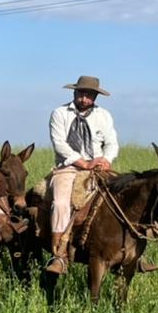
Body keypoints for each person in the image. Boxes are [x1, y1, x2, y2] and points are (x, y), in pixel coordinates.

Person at [45, 74, 129, 275]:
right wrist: (83, 162)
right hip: (69, 166)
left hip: (99, 167)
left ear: (95, 97)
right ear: (74, 92)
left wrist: (106, 159)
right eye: (81, 94)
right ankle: (59, 254)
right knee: (61, 204)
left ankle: (133, 252)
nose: (84, 99)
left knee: (126, 196)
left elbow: (111, 142)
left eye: (89, 95)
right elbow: (59, 143)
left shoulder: (104, 116)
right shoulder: (59, 113)